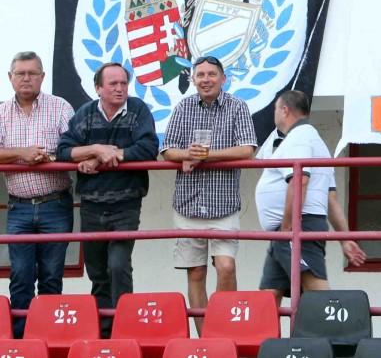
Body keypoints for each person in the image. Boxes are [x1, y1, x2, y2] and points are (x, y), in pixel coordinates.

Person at [56, 63, 159, 336]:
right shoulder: (85, 113)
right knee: (98, 272)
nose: (120, 88)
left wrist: (111, 156)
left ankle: (126, 332)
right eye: (113, 84)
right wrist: (94, 150)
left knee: (118, 265)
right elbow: (63, 150)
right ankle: (104, 336)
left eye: (124, 83)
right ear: (98, 88)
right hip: (92, 204)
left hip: (126, 202)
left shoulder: (138, 109)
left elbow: (149, 148)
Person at [158, 56, 258, 324]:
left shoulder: (237, 106)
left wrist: (205, 156)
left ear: (223, 78)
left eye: (211, 74)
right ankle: (206, 340)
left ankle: (222, 330)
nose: (206, 79)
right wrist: (186, 154)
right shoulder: (183, 106)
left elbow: (247, 149)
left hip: (223, 205)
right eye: (200, 75)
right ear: (193, 79)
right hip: (188, 204)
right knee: (196, 273)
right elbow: (167, 150)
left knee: (226, 267)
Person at [256, 90, 365, 305]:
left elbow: (299, 180)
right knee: (270, 293)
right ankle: (265, 331)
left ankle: (336, 325)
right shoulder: (314, 141)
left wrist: (288, 227)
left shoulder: (300, 137)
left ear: (284, 110)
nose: (274, 114)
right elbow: (330, 199)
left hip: (297, 225)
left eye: (276, 109)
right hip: (288, 229)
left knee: (314, 287)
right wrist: (344, 239)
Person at [0, 52, 74, 337]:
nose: (26, 79)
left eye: (32, 73)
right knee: (20, 276)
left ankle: (49, 339)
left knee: (51, 277)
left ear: (43, 77)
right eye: (20, 73)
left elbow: (73, 148)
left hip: (55, 204)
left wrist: (49, 158)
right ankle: (22, 342)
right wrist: (23, 153)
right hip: (18, 207)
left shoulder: (60, 107)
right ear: (10, 78)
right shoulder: (2, 112)